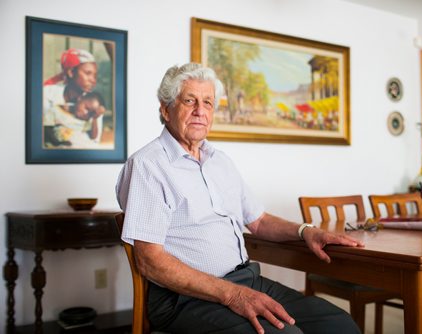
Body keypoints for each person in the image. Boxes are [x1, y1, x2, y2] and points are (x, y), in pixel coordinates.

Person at [116, 63, 364, 334]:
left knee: (338, 324)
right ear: (166, 109)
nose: (200, 111)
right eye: (190, 101)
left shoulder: (219, 161)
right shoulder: (148, 165)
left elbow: (258, 221)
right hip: (184, 298)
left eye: (208, 102)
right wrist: (232, 294)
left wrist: (306, 231)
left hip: (246, 280)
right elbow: (149, 261)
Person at [43, 48, 104, 147]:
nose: (93, 80)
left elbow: (94, 141)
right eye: (88, 73)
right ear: (71, 72)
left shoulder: (94, 103)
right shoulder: (46, 94)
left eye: (95, 75)